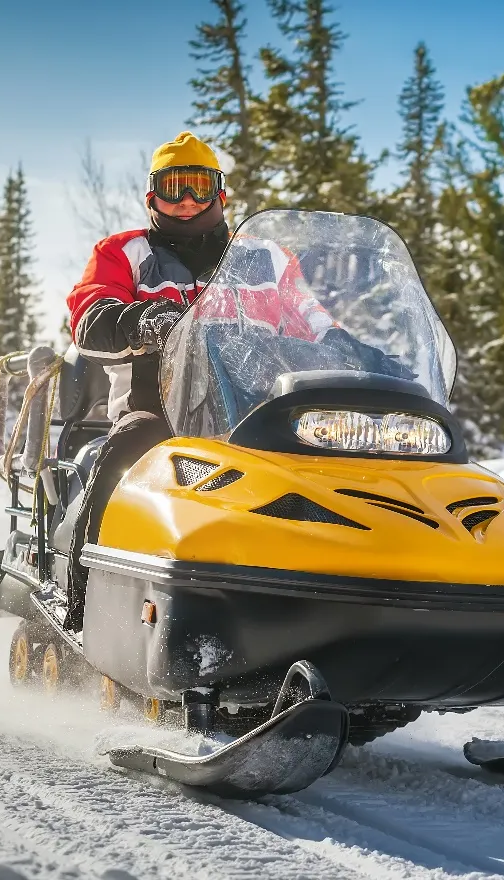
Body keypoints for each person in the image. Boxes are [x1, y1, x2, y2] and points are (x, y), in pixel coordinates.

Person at [64, 131, 332, 631]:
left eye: (198, 187)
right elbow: (87, 315)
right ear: (152, 196)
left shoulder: (265, 258)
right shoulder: (124, 253)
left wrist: (354, 348)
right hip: (160, 409)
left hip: (260, 412)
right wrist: (135, 321)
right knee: (129, 449)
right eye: (173, 188)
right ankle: (84, 599)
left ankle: (332, 594)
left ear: (219, 193)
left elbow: (311, 318)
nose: (186, 202)